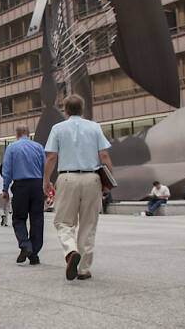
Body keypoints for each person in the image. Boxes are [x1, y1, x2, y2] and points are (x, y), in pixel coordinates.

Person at [43, 94, 114, 281]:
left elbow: (51, 157)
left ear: (64, 110)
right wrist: (110, 181)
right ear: (82, 110)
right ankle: (83, 269)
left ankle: (70, 250)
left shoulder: (57, 128)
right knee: (88, 224)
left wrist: (46, 180)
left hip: (67, 178)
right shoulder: (94, 127)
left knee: (63, 222)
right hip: (92, 179)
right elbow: (104, 155)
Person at [2, 125, 46, 265]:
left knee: (19, 218)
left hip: (21, 185)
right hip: (37, 184)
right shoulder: (38, 147)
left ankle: (25, 244)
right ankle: (34, 254)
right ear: (28, 133)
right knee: (37, 219)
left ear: (17, 134)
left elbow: (7, 169)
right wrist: (46, 184)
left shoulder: (12, 148)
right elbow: (44, 167)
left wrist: (5, 188)